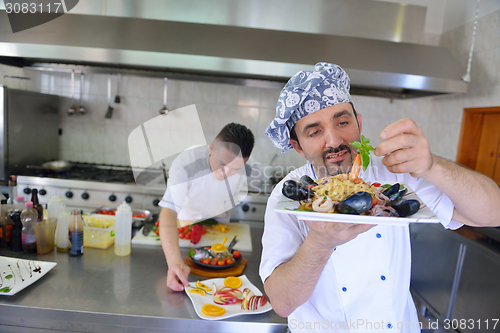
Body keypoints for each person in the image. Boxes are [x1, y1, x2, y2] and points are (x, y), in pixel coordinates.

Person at [260, 62, 500, 332]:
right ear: (297, 147)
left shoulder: (396, 172)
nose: (334, 140)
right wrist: (320, 242)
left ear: (359, 122)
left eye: (342, 122)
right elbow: (282, 302)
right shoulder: (288, 196)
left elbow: (493, 212)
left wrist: (433, 166)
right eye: (314, 132)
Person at [159, 123, 255, 291]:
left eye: (235, 169)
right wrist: (174, 262)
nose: (225, 173)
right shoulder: (186, 164)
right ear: (211, 148)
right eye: (221, 164)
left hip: (221, 230)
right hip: (183, 234)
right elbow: (169, 211)